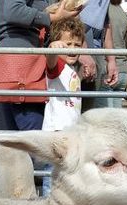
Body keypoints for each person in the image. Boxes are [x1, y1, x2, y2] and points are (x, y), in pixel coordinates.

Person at [0, 0, 81, 132]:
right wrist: (52, 18)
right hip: (23, 66)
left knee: (8, 135)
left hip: (13, 61)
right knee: (31, 134)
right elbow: (13, 11)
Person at [41, 17, 84, 195]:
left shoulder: (73, 68)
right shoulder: (58, 65)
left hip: (70, 132)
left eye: (77, 45)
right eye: (67, 44)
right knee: (51, 174)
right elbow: (50, 60)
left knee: (66, 175)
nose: (72, 49)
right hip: (56, 131)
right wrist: (53, 49)